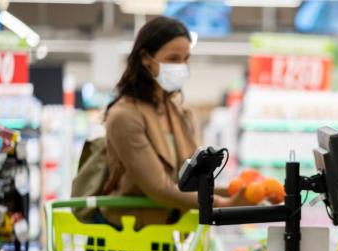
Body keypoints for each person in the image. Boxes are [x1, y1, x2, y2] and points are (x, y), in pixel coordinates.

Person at [102, 16, 247, 228]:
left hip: (170, 236)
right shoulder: (124, 116)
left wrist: (239, 191)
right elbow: (159, 188)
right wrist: (220, 203)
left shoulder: (179, 113)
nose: (182, 66)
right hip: (128, 238)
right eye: (173, 59)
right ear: (145, 59)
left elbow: (189, 182)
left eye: (186, 58)